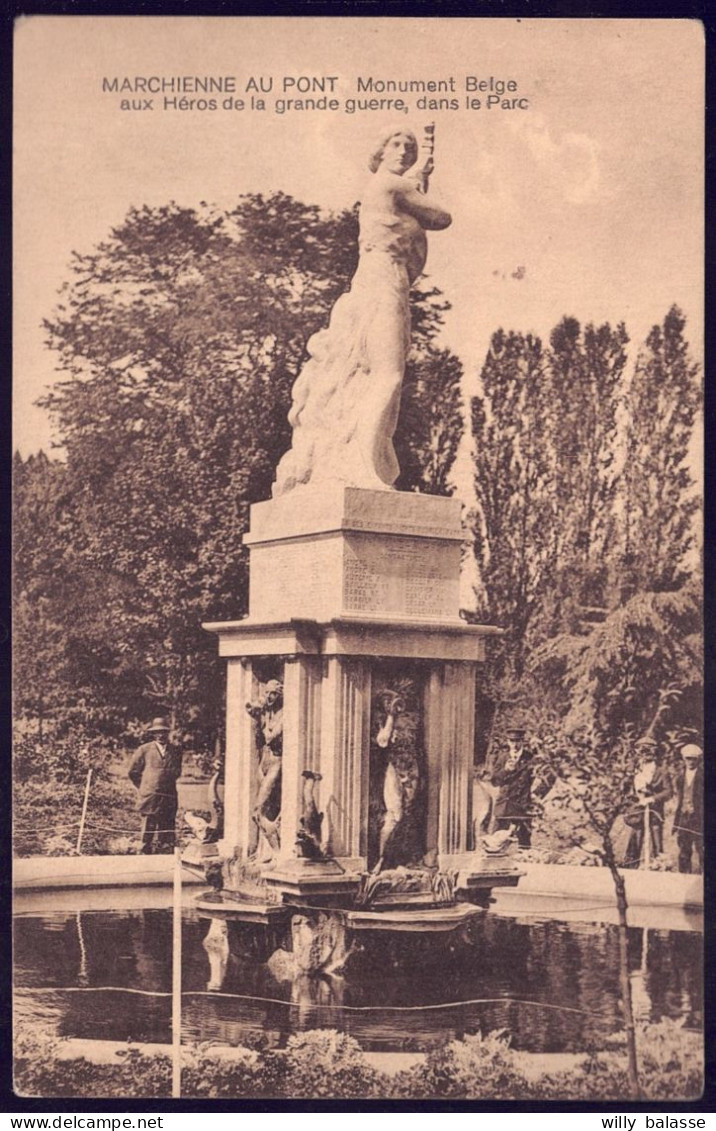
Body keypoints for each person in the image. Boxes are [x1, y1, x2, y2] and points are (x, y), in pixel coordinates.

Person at [273, 125, 452, 496]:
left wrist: (419, 179)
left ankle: (353, 461)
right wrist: (417, 183)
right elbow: (440, 217)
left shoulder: (393, 190)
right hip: (383, 282)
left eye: (411, 146)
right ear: (380, 151)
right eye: (396, 143)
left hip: (382, 283)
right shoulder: (391, 186)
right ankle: (362, 466)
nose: (404, 150)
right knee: (386, 375)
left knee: (368, 375)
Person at [127, 717, 182, 854]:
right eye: (157, 732)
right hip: (150, 795)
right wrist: (145, 786)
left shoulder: (175, 750)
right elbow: (133, 772)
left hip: (169, 795)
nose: (161, 735)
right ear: (153, 734)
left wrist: (166, 781)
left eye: (163, 732)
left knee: (167, 825)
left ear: (167, 733)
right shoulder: (144, 750)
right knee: (148, 825)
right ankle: (145, 852)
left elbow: (177, 771)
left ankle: (165, 853)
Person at [623, 738, 672, 866]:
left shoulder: (661, 771)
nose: (645, 753)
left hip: (654, 812)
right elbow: (624, 789)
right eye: (642, 750)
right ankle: (630, 868)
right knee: (635, 841)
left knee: (656, 842)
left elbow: (668, 792)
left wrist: (651, 799)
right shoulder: (633, 770)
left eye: (649, 750)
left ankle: (658, 867)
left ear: (655, 753)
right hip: (637, 812)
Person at [491, 728, 535, 848]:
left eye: (518, 741)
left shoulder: (530, 758)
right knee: (495, 840)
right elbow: (494, 782)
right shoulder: (502, 758)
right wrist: (505, 770)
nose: (514, 744)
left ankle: (524, 864)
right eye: (512, 741)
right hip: (505, 802)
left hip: (522, 803)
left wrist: (534, 794)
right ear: (508, 742)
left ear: (522, 742)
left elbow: (538, 779)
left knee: (524, 841)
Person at [673, 743, 703, 873]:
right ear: (683, 759)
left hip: (700, 818)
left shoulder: (704, 776)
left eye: (693, 758)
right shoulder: (680, 777)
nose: (690, 761)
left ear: (698, 760)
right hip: (683, 817)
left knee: (702, 848)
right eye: (687, 758)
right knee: (684, 849)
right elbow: (679, 800)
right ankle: (684, 878)